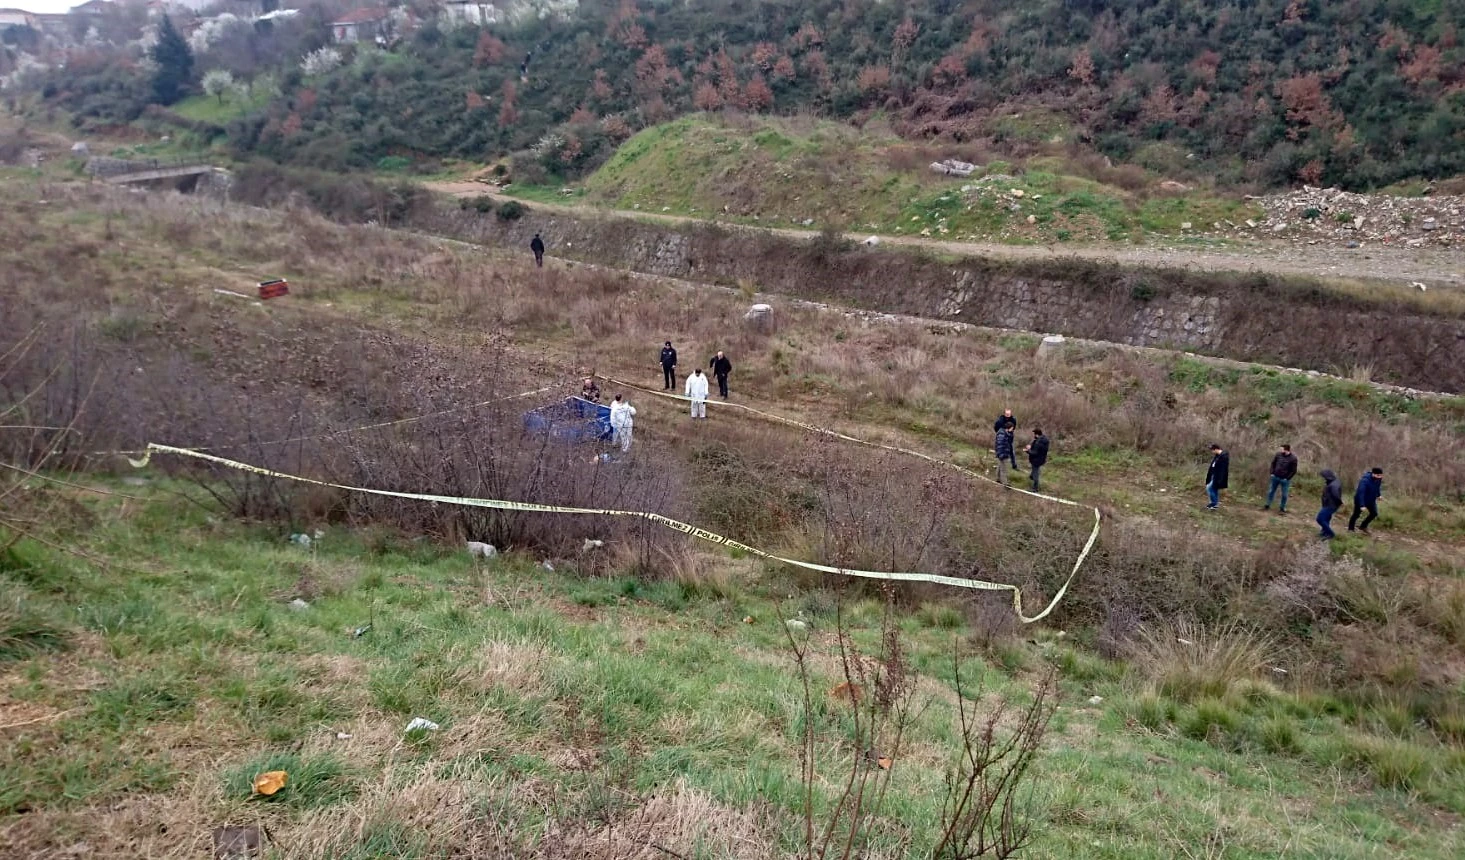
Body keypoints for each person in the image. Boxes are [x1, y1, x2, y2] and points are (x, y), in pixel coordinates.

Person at [1263, 444, 1299, 513]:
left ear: (1286, 449)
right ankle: (1267, 505)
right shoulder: (1278, 455)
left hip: (1285, 480)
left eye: (1281, 449)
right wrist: (1272, 473)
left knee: (1284, 495)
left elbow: (1293, 471)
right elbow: (1273, 464)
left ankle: (1282, 508)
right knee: (1271, 491)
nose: (1280, 450)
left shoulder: (1293, 458)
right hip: (1275, 477)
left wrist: (1287, 478)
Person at [1348, 467, 1384, 534]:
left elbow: (1377, 487)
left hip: (1371, 500)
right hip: (1360, 500)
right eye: (1378, 475)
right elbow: (1361, 493)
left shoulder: (1378, 479)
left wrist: (1379, 495)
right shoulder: (1364, 481)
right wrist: (1362, 505)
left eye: (1381, 475)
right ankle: (1350, 529)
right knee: (1356, 515)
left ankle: (1363, 526)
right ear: (1373, 474)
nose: (1380, 477)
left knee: (1374, 513)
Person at [1318, 469, 1343, 539]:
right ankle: (1324, 532)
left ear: (1327, 476)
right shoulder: (1334, 481)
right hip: (1329, 504)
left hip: (1330, 505)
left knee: (1320, 519)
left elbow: (1336, 495)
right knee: (1326, 518)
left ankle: (1331, 533)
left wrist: (1340, 502)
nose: (1323, 478)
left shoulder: (1333, 485)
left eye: (1324, 477)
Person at [1205, 443, 1229, 510]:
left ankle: (1214, 503)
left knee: (1209, 488)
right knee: (1214, 489)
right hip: (1213, 475)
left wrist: (1220, 479)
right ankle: (1215, 505)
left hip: (1218, 476)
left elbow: (1223, 469)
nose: (1212, 451)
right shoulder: (1217, 456)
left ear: (1216, 449)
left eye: (1212, 450)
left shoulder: (1224, 456)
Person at [1024, 428, 1049, 492]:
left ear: (1037, 434)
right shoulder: (1044, 440)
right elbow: (1037, 448)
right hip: (1042, 459)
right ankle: (1031, 477)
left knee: (1036, 474)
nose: (1034, 435)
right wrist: (1031, 446)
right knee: (1034, 471)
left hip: (1036, 460)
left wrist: (1027, 451)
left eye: (1034, 434)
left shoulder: (1038, 442)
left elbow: (1034, 453)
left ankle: (1035, 488)